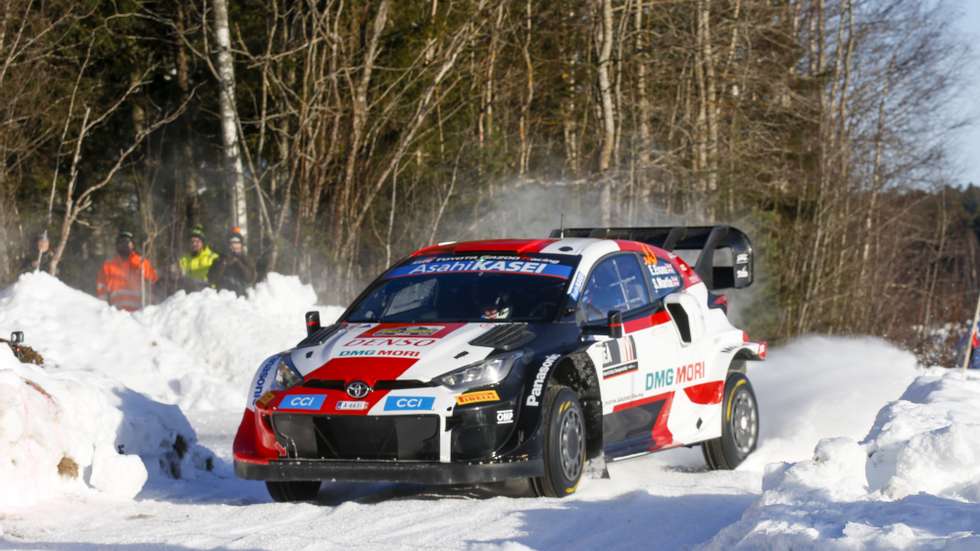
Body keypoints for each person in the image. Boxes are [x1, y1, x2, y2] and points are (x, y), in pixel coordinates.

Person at [96, 230, 159, 311]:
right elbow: (101, 296)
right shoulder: (108, 267)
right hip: (115, 316)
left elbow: (154, 284)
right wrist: (105, 313)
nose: (124, 245)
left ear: (133, 245)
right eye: (121, 242)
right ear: (117, 246)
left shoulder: (142, 263)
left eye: (127, 242)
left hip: (140, 314)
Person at [208, 227, 256, 296]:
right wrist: (224, 263)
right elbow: (212, 279)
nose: (235, 245)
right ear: (228, 245)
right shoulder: (219, 259)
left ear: (241, 245)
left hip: (241, 297)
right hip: (222, 296)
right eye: (232, 243)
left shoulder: (247, 260)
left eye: (238, 243)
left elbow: (250, 278)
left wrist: (238, 263)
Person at [177, 224, 219, 291]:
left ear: (203, 243)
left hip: (208, 293)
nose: (194, 244)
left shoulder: (213, 257)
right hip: (188, 295)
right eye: (192, 241)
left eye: (197, 241)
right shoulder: (183, 259)